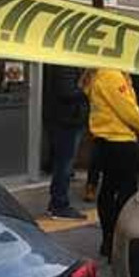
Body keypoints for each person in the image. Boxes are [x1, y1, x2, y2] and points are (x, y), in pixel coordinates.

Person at [85, 67, 139, 258]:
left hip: (104, 141)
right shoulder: (111, 75)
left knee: (108, 191)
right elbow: (126, 108)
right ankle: (118, 240)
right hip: (120, 140)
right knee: (126, 191)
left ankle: (109, 240)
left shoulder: (100, 73)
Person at [42, 65, 89, 219]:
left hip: (66, 118)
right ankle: (59, 204)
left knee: (63, 163)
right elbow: (67, 91)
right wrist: (88, 89)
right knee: (64, 164)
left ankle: (58, 202)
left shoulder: (63, 64)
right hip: (66, 120)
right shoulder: (64, 65)